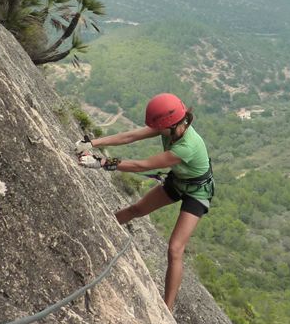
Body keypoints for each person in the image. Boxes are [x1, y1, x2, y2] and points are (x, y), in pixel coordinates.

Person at [79, 93, 214, 311]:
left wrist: (101, 162)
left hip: (197, 192)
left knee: (175, 249)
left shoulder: (186, 146)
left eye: (159, 128)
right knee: (136, 209)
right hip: (178, 181)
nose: (157, 131)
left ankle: (167, 309)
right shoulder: (170, 124)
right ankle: (97, 231)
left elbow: (142, 165)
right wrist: (92, 142)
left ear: (172, 124)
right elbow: (130, 137)